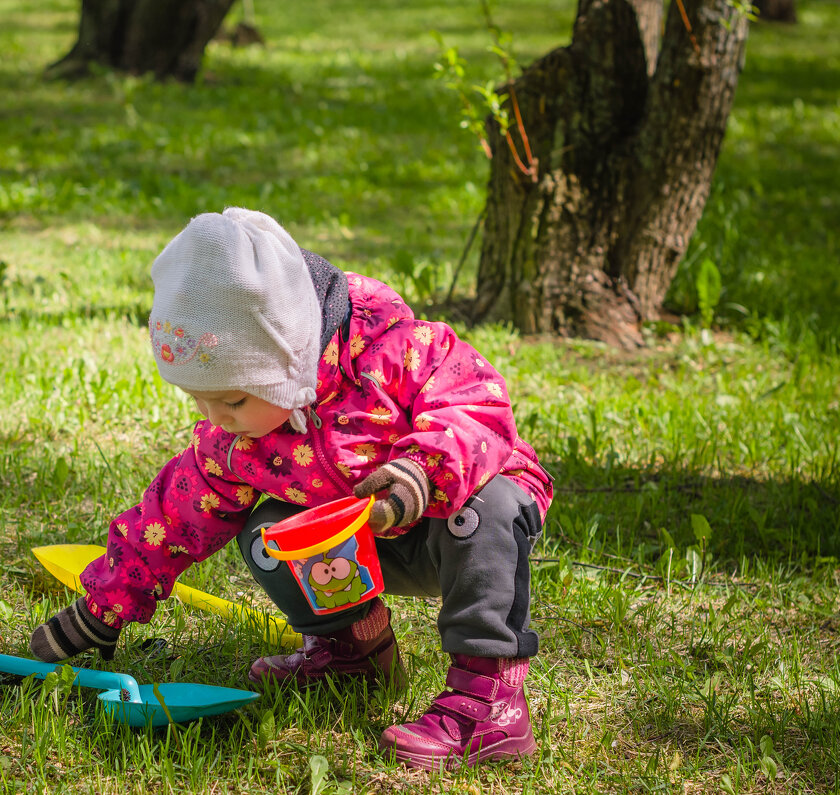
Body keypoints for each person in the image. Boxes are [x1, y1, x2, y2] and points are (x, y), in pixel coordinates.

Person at [29, 208, 553, 771]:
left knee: (484, 508)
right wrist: (104, 607)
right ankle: (357, 653)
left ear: (288, 361)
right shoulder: (235, 441)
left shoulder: (389, 349)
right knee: (266, 534)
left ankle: (488, 702)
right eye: (199, 400)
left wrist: (419, 475)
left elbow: (476, 404)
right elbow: (172, 518)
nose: (217, 418)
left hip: (448, 526)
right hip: (361, 547)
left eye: (232, 400)